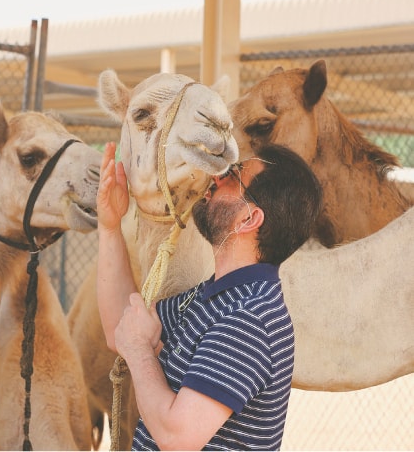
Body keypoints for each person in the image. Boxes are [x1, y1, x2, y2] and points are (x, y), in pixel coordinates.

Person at [96, 141, 323, 450]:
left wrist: (139, 350)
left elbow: (177, 437)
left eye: (234, 174)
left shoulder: (249, 319)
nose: (216, 176)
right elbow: (119, 329)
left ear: (249, 219)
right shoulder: (214, 296)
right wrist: (110, 225)